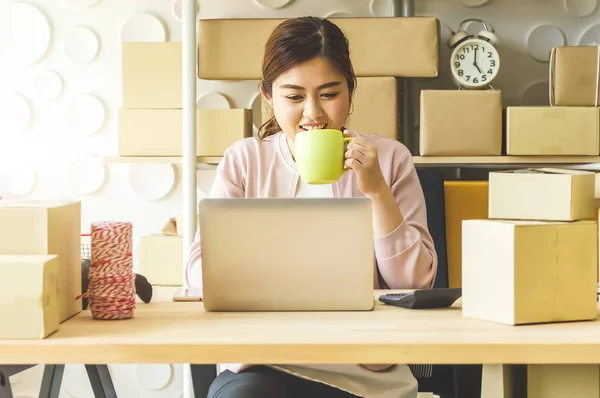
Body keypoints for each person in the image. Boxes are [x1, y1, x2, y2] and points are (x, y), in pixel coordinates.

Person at [185, 16, 438, 398]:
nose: (313, 113)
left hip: (366, 370)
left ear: (351, 92)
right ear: (267, 95)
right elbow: (196, 278)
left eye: (329, 93)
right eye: (294, 96)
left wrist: (376, 192)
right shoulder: (245, 161)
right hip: (263, 363)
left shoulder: (389, 159)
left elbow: (416, 284)